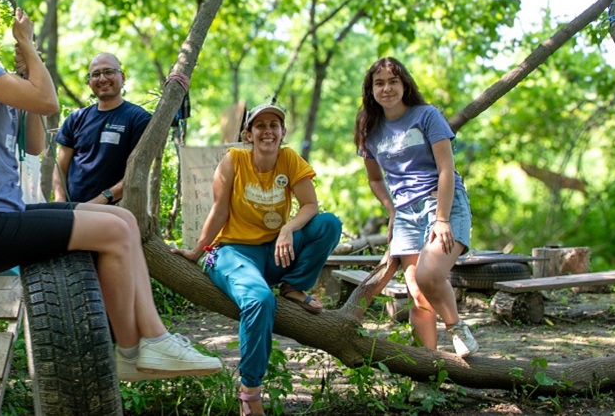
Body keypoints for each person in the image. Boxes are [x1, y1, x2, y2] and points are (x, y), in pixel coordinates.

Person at [0, 0, 221, 377]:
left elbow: (34, 143)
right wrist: (28, 46)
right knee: (117, 230)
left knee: (122, 218)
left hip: (4, 213)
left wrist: (25, 71)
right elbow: (50, 102)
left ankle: (146, 345)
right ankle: (140, 345)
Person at [173, 104, 342, 416]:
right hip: (233, 252)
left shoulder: (290, 158)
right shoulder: (233, 160)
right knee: (260, 299)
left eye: (274, 125)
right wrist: (197, 251)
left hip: (276, 252)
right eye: (260, 125)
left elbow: (310, 205)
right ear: (247, 134)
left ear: (282, 132)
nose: (267, 131)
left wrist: (288, 228)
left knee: (329, 224)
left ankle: (294, 286)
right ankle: (250, 393)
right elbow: (219, 210)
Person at [352, 57, 479, 359]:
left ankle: (457, 327)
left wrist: (442, 219)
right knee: (417, 294)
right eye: (379, 83)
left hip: (442, 203)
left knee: (429, 274)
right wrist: (392, 210)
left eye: (393, 81)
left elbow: (446, 168)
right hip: (405, 214)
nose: (387, 88)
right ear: (370, 90)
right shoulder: (369, 128)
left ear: (404, 84)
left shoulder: (427, 116)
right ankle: (426, 371)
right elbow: (374, 179)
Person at [54, 53, 152, 204]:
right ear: (89, 81)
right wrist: (60, 202)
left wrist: (100, 201)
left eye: (109, 72)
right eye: (96, 74)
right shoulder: (76, 118)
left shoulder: (138, 118)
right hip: (72, 212)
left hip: (114, 211)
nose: (102, 79)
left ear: (122, 77)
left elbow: (137, 173)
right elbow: (61, 167)